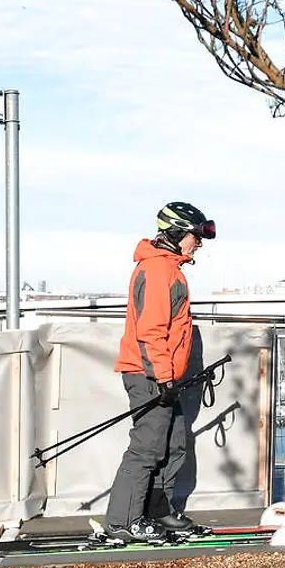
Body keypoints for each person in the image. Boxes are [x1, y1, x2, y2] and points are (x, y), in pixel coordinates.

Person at [103, 201, 217, 542]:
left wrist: (173, 378)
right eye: (196, 236)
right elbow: (151, 330)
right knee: (148, 448)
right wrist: (164, 379)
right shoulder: (156, 270)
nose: (199, 243)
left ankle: (158, 511)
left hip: (167, 376)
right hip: (149, 374)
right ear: (176, 233)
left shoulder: (170, 269)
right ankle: (122, 522)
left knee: (175, 443)